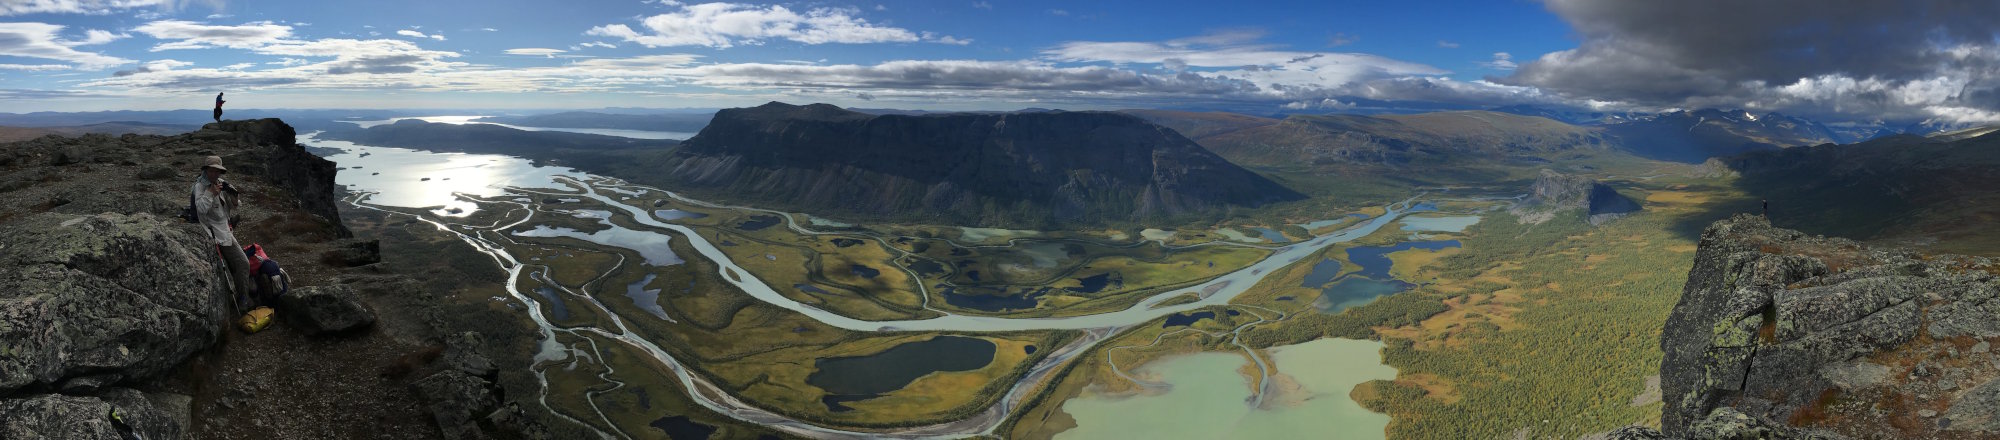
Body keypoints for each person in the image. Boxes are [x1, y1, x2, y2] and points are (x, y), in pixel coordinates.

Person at [192, 156, 251, 312]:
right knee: (242, 262)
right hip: (213, 232)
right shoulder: (199, 187)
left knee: (241, 263)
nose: (214, 174)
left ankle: (243, 295)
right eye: (211, 170)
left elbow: (235, 206)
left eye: (217, 171)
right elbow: (201, 209)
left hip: (225, 230)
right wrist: (211, 193)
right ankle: (242, 298)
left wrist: (234, 197)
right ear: (206, 170)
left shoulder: (222, 184)